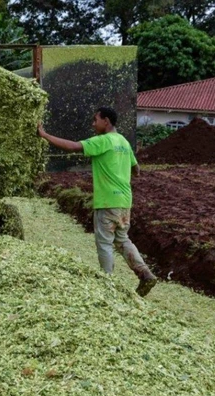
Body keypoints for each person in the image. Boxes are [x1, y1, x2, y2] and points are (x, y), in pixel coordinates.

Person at [38, 106, 157, 297]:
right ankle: (145, 274)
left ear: (106, 121)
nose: (93, 124)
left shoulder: (103, 141)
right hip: (124, 201)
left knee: (104, 243)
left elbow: (74, 146)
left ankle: (107, 284)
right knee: (122, 239)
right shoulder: (124, 142)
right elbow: (137, 170)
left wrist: (45, 135)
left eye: (95, 120)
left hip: (107, 201)